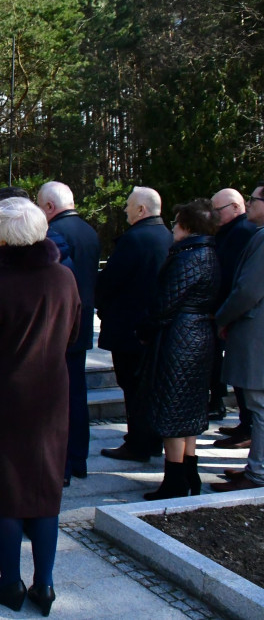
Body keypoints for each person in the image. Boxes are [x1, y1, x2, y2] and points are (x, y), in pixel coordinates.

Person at [0, 198, 81, 616]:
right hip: (50, 397)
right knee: (45, 491)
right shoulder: (65, 277)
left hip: (4, 399)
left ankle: (10, 583)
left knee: (6, 491)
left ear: (4, 237)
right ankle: (43, 585)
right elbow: (74, 333)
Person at [140, 199, 220, 500]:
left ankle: (175, 478)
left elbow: (165, 303)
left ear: (187, 226)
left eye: (176, 222)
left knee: (173, 409)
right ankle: (188, 470)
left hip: (180, 337)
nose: (173, 227)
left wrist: (146, 329)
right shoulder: (209, 253)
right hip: (198, 335)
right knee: (189, 408)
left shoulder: (188, 257)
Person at [96, 187, 173, 463]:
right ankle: (151, 440)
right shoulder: (168, 237)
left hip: (131, 328)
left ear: (141, 210)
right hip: (156, 327)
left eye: (129, 206)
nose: (125, 210)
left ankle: (138, 443)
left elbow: (110, 281)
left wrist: (100, 301)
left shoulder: (134, 240)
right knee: (149, 388)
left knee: (133, 387)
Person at [37, 182, 100, 484]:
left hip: (62, 327)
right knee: (77, 395)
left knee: (59, 400)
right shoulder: (89, 231)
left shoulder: (55, 236)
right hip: (82, 324)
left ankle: (61, 464)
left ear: (49, 207)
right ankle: (79, 458)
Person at [212, 181, 264, 493]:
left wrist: (221, 318)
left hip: (256, 335)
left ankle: (257, 474)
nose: (250, 204)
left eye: (254, 200)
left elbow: (247, 290)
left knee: (258, 408)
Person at [209, 188, 258, 445]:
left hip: (240, 316)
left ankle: (248, 429)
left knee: (246, 381)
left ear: (235, 208)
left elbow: (238, 282)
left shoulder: (243, 232)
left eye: (218, 210)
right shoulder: (235, 232)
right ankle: (244, 424)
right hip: (234, 314)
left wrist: (224, 314)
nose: (214, 215)